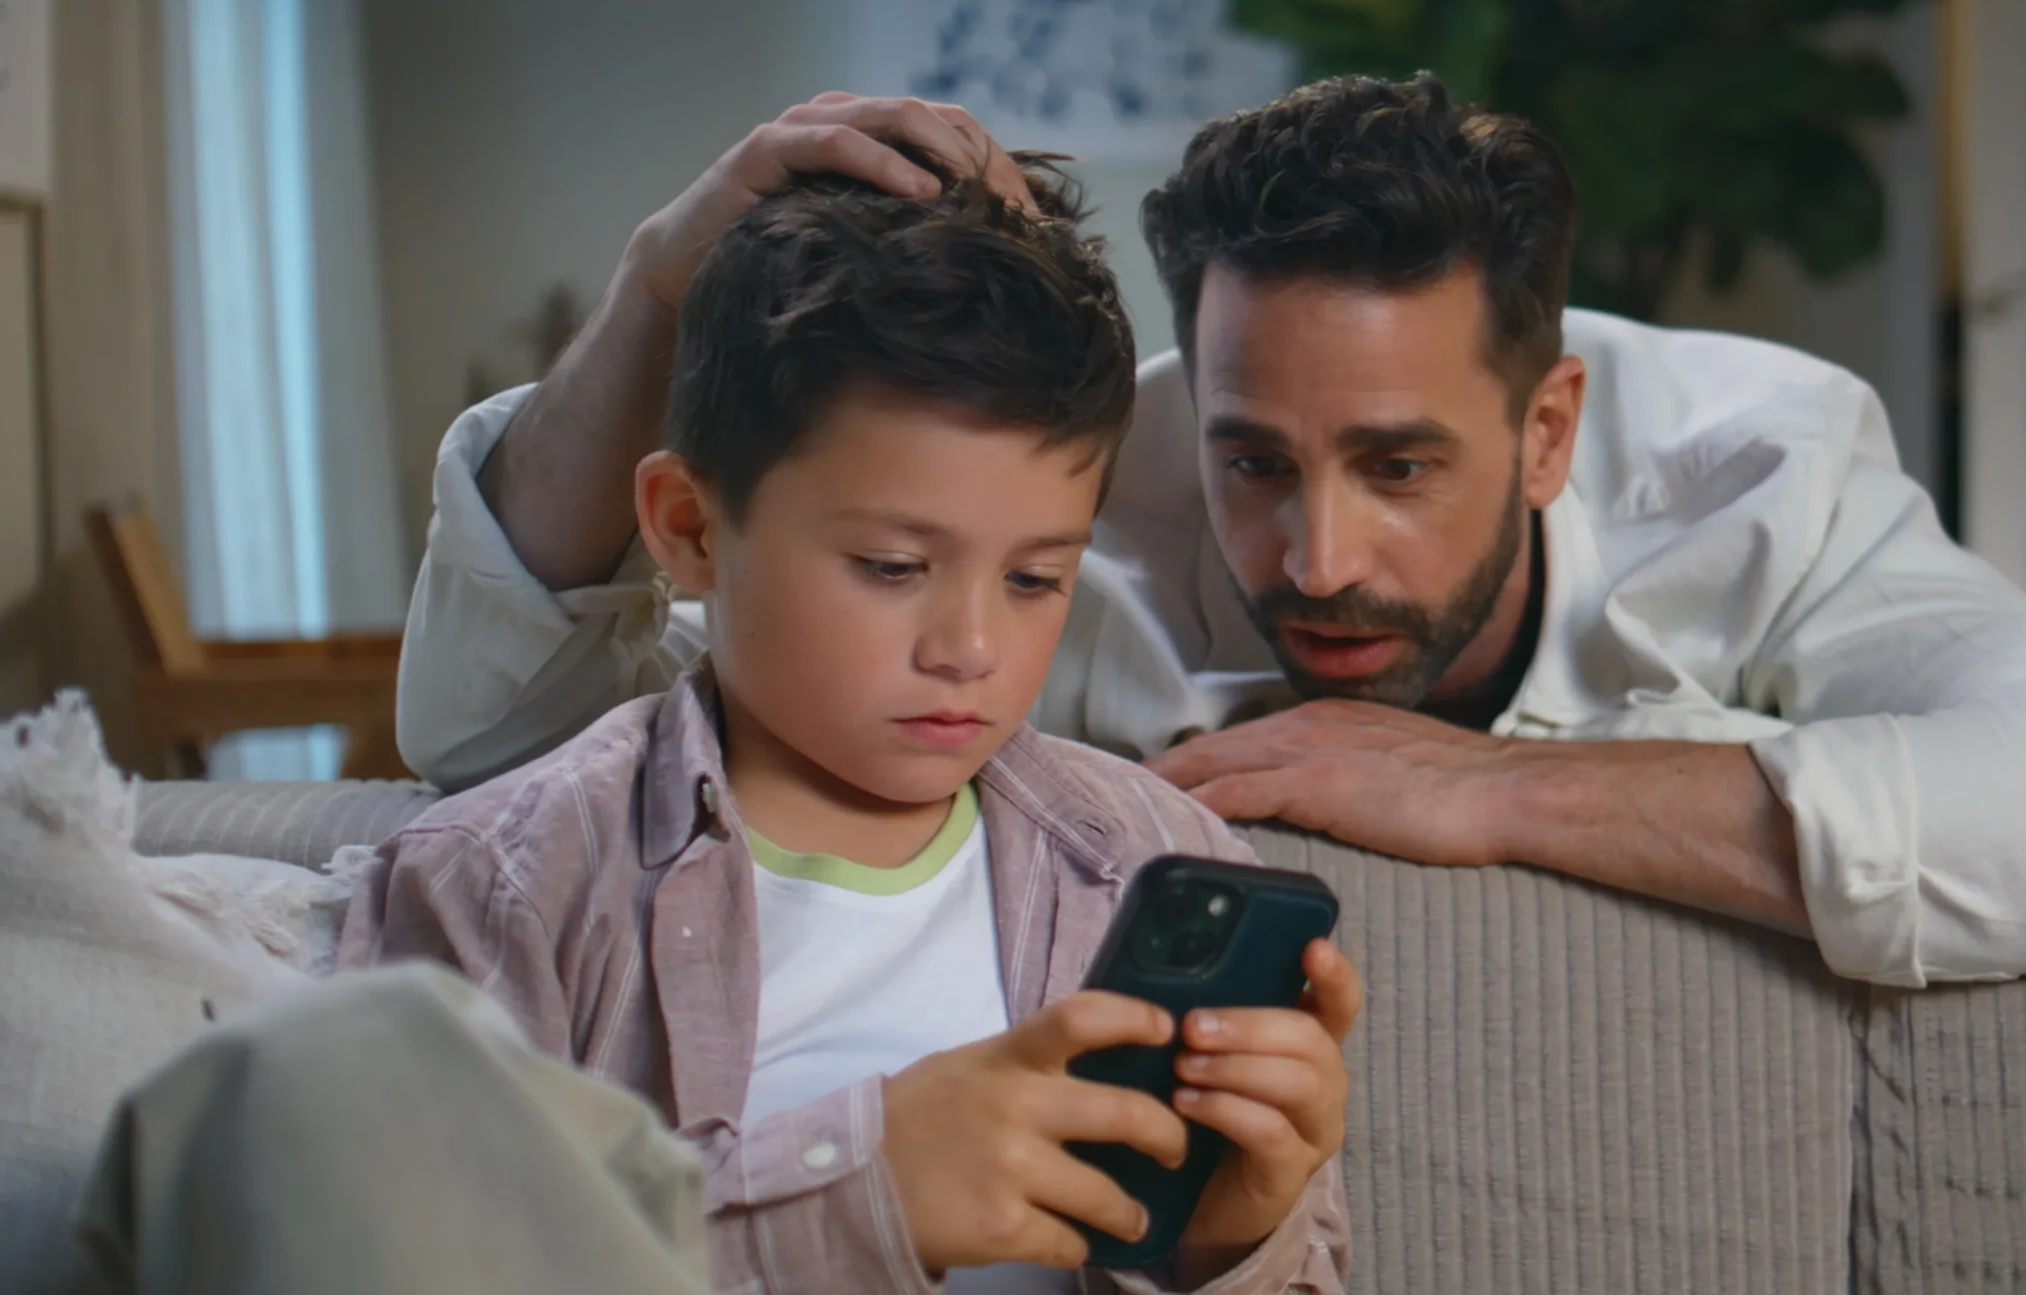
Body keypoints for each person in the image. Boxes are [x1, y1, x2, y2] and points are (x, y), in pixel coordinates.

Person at [397, 75, 2026, 989]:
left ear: (1550, 428)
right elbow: (487, 744)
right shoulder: (1073, 503)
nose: (1320, 556)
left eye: (1404, 468)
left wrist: (1495, 795)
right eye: (1257, 461)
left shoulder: (1765, 468)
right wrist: (658, 286)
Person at [339, 164, 1358, 1293]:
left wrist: (1230, 1244)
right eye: (891, 567)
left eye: (1035, 578)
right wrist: (854, 1198)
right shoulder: (507, 888)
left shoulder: (1158, 866)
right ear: (688, 529)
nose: (968, 647)